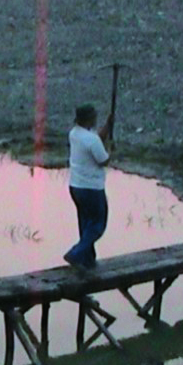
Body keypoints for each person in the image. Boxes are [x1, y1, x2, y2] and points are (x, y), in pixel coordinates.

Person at [64, 104, 113, 271]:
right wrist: (111, 151)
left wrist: (107, 127)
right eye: (94, 116)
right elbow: (103, 160)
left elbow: (96, 141)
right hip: (92, 189)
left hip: (76, 187)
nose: (96, 119)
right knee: (98, 225)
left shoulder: (75, 133)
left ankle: (88, 260)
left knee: (85, 224)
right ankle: (76, 254)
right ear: (88, 118)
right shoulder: (91, 139)